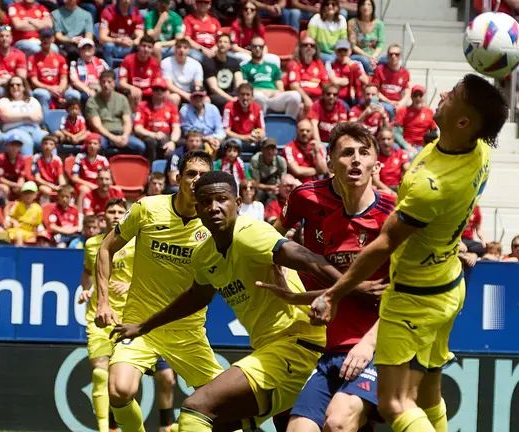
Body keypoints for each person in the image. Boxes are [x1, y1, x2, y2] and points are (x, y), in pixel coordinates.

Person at [308, 74, 508, 432]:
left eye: (453, 96)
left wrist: (333, 294)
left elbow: (384, 244)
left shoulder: (431, 186)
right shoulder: (480, 151)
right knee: (428, 396)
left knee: (396, 402)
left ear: (463, 122)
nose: (442, 94)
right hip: (449, 284)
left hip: (414, 297)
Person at [110, 169, 348, 431]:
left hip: (297, 346)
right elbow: (195, 298)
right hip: (271, 352)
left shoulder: (250, 232)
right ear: (197, 210)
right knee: (214, 424)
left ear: (237, 203)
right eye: (205, 202)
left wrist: (353, 286)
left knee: (195, 409)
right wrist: (144, 326)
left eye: (221, 199)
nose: (214, 207)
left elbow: (309, 260)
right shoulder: (204, 255)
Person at [262, 122, 394, 432]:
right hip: (328, 341)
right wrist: (294, 293)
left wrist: (369, 344)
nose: (356, 160)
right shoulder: (328, 218)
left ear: (376, 164)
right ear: (330, 162)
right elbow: (272, 241)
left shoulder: (394, 215)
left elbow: (411, 290)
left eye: (364, 153)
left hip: (379, 346)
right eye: (347, 153)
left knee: (337, 422)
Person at [91, 151, 224, 432]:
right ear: (178, 178)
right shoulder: (147, 208)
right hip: (139, 326)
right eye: (191, 173)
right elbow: (105, 248)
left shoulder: (215, 223)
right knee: (119, 389)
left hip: (188, 333)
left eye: (203, 175)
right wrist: (103, 302)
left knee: (225, 406)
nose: (196, 180)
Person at [79, 197, 135, 432]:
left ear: (125, 216)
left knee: (121, 382)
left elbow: (149, 276)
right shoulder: (92, 244)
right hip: (99, 318)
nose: (115, 215)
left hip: (129, 319)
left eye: (120, 212)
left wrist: (130, 284)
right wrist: (85, 289)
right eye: (111, 211)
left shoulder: (136, 242)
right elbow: (87, 272)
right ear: (104, 216)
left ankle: (116, 426)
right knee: (100, 373)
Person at [85, 71, 147, 157]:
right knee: (97, 147)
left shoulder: (122, 99)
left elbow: (127, 121)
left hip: (121, 134)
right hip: (104, 135)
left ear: (114, 83)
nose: (106, 85)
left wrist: (125, 136)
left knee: (140, 146)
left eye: (109, 82)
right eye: (103, 82)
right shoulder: (92, 101)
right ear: (99, 83)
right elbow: (97, 126)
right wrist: (113, 138)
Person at [241, 36, 303, 118]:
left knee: (295, 96)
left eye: (260, 46)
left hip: (274, 97)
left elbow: (280, 88)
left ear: (264, 48)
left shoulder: (273, 66)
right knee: (259, 97)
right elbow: (245, 88)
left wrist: (276, 92)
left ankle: (288, 123)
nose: (258, 49)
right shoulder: (245, 67)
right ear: (250, 48)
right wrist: (261, 91)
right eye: (255, 46)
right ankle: (259, 123)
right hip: (257, 96)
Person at [0, 77, 47, 156]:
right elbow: (5, 116)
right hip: (15, 129)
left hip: (34, 129)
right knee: (26, 141)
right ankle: (26, 164)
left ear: (23, 87)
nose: (15, 87)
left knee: (48, 139)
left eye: (18, 85)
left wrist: (16, 117)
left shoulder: (32, 100)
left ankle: (54, 163)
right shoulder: (4, 101)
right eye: (12, 85)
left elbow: (39, 117)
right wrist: (28, 116)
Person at [134, 78, 181, 161]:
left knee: (173, 144)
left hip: (166, 136)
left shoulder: (171, 107)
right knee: (151, 142)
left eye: (162, 89)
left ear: (166, 91)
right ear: (152, 90)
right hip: (149, 135)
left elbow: (176, 128)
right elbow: (138, 128)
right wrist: (154, 134)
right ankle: (150, 167)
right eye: (156, 89)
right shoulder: (143, 106)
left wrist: (173, 142)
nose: (159, 91)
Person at [29, 28, 69, 116]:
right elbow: (34, 81)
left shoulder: (60, 58)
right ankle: (45, 121)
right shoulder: (33, 58)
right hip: (42, 89)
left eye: (48, 37)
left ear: (53, 39)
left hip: (57, 89)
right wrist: (50, 88)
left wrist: (60, 90)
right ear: (40, 39)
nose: (46, 40)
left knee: (73, 94)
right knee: (43, 94)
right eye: (43, 37)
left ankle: (74, 122)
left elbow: (63, 78)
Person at [204, 33, 245, 111]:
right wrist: (231, 99)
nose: (222, 44)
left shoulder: (234, 62)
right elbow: (214, 88)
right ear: (216, 44)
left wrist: (239, 96)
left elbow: (239, 82)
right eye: (220, 41)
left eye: (225, 42)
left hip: (232, 93)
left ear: (229, 46)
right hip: (216, 95)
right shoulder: (209, 63)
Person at [180, 86, 226, 155]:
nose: (198, 99)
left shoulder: (213, 108)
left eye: (200, 96)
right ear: (191, 98)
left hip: (213, 138)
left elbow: (220, 129)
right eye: (195, 97)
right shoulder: (185, 110)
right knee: (199, 145)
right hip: (196, 140)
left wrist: (216, 139)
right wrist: (206, 138)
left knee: (226, 145)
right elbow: (188, 132)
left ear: (204, 97)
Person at [393, 85, 437, 156]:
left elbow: (434, 132)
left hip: (422, 146)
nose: (418, 98)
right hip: (406, 145)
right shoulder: (403, 111)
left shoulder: (429, 112)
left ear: (424, 97)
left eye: (420, 95)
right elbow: (395, 132)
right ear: (411, 97)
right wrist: (407, 146)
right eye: (415, 95)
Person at [118, 35, 161, 107]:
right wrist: (132, 88)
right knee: (136, 94)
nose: (146, 49)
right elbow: (122, 83)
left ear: (152, 49)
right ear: (138, 46)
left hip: (148, 92)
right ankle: (136, 114)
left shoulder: (154, 63)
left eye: (149, 47)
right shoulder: (128, 60)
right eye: (143, 46)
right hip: (133, 92)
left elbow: (157, 83)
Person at [222, 83, 265, 154]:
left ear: (252, 96)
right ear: (238, 96)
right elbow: (226, 131)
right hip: (235, 140)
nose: (245, 98)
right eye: (242, 94)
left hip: (251, 139)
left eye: (248, 95)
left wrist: (258, 135)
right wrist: (244, 138)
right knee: (236, 143)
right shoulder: (229, 107)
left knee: (266, 142)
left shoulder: (257, 108)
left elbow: (262, 130)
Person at [99, 0, 144, 67]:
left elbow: (140, 37)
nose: (127, 1)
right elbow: (102, 38)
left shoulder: (136, 13)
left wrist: (132, 42)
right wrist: (118, 40)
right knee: (108, 46)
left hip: (128, 46)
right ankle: (109, 71)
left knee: (142, 47)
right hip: (113, 45)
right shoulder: (108, 11)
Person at [371, 44, 411, 119]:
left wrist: (400, 104)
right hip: (383, 102)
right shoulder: (379, 70)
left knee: (409, 111)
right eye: (391, 54)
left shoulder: (405, 73)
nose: (393, 56)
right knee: (389, 109)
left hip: (398, 103)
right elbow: (374, 91)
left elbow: (407, 93)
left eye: (396, 54)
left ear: (400, 56)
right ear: (387, 56)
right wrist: (389, 101)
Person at [161, 39, 205, 107]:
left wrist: (194, 95)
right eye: (179, 47)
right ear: (174, 49)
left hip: (191, 93)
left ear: (189, 50)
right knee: (174, 98)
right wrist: (185, 95)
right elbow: (168, 85)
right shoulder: (166, 62)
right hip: (174, 92)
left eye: (185, 48)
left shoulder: (196, 64)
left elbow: (198, 85)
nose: (182, 50)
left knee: (206, 100)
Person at [0, 26, 28, 96]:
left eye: (7, 36)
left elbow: (22, 77)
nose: (4, 38)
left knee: (28, 92)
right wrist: (6, 81)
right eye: (1, 36)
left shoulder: (19, 54)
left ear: (11, 38)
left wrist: (9, 82)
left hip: (15, 85)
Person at [67, 39, 110, 103]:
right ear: (79, 51)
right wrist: (88, 90)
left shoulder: (101, 61)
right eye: (84, 48)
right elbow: (75, 81)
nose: (86, 50)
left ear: (94, 50)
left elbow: (110, 76)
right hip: (82, 89)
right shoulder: (74, 64)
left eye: (89, 48)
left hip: (99, 87)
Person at [347, 0, 384, 75]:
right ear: (359, 7)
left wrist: (374, 56)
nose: (366, 7)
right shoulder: (352, 23)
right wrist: (368, 57)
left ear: (373, 7)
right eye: (363, 4)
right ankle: (370, 78)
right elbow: (353, 46)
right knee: (365, 61)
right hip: (359, 55)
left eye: (369, 4)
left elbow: (380, 43)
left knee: (386, 60)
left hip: (374, 55)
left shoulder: (379, 24)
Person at [308, 0, 348, 64]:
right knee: (332, 60)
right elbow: (311, 40)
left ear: (337, 7)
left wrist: (342, 55)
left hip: (336, 53)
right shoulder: (316, 18)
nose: (330, 6)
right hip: (319, 52)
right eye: (327, 4)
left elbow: (343, 40)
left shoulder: (342, 19)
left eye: (333, 4)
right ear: (323, 7)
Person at [4, 180, 43, 245]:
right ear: (22, 194)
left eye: (31, 193)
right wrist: (14, 221)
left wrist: (37, 234)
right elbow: (10, 217)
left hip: (29, 232)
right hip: (16, 230)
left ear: (35, 195)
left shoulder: (38, 208)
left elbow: (38, 225)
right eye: (26, 193)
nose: (28, 196)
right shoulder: (17, 205)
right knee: (17, 235)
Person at [249, 138, 286, 203]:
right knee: (258, 194)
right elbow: (256, 184)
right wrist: (270, 187)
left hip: (276, 187)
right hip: (260, 187)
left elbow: (283, 180)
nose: (270, 151)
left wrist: (277, 188)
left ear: (276, 150)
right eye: (267, 148)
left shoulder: (281, 161)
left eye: (273, 149)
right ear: (262, 150)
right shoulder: (255, 160)